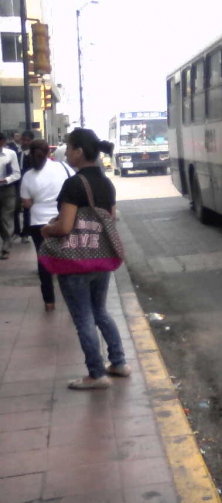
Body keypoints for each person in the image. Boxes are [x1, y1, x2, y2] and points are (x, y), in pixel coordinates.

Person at [41, 129, 130, 389]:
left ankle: (96, 374)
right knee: (100, 311)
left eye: (68, 148)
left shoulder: (74, 184)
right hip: (101, 257)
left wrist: (47, 229)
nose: (66, 152)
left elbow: (65, 227)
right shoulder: (106, 183)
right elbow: (109, 220)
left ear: (79, 151)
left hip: (75, 261)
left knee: (83, 318)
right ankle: (119, 362)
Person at [20, 139, 71, 312]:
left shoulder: (28, 176)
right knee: (66, 258)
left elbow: (26, 204)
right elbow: (74, 186)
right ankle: (71, 298)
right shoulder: (62, 167)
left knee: (44, 262)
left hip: (38, 224)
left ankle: (49, 302)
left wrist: (37, 199)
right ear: (49, 152)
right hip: (62, 219)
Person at [0, 133, 21, 260]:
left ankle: (6, 246)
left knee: (5, 217)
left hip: (7, 190)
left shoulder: (10, 154)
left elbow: (17, 173)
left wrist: (6, 180)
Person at [14, 130, 34, 243]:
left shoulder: (32, 154)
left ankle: (26, 232)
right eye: (23, 140)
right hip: (16, 183)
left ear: (31, 141)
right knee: (15, 207)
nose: (25, 142)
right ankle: (16, 231)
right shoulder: (15, 152)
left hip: (28, 183)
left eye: (27, 140)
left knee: (27, 208)